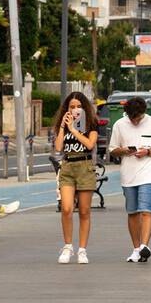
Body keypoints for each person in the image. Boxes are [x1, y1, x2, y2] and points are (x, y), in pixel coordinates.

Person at [107, 95, 151, 264]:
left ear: (143, 113)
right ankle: (136, 249)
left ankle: (144, 246)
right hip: (128, 175)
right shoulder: (120, 125)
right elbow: (113, 150)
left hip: (148, 174)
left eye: (138, 118)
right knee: (132, 212)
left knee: (146, 210)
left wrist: (147, 152)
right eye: (132, 118)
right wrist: (125, 150)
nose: (135, 121)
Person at [53, 91, 100, 264]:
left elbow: (89, 144)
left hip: (85, 167)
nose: (75, 110)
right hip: (67, 166)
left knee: (84, 211)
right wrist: (63, 127)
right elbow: (58, 147)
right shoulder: (64, 124)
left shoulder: (91, 123)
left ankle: (82, 250)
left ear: (84, 108)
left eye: (79, 106)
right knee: (66, 208)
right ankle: (67, 246)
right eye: (72, 107)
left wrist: (74, 129)